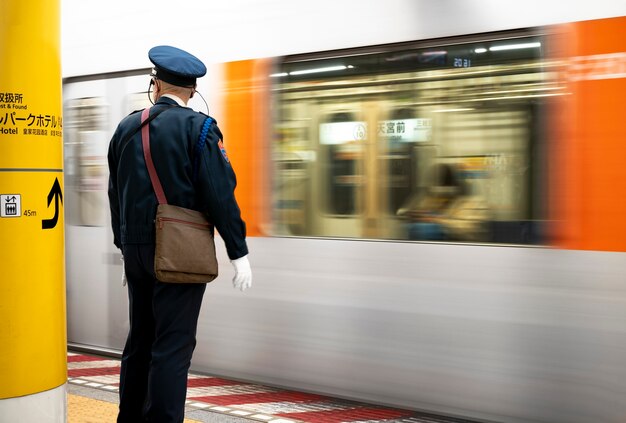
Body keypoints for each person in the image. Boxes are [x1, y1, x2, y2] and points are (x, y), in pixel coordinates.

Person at [107, 45, 252, 423]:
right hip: (178, 252)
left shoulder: (126, 127)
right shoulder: (200, 128)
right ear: (192, 90)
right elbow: (220, 194)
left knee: (140, 340)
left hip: (135, 251)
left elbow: (114, 192)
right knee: (172, 346)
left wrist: (124, 246)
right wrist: (239, 252)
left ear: (155, 84)